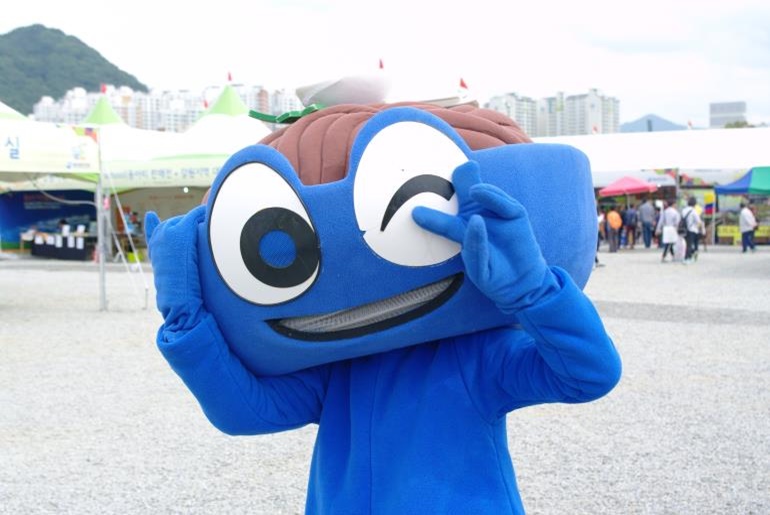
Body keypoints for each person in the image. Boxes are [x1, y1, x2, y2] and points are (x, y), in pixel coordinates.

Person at [146, 103, 622, 514]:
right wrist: (187, 322)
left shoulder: (477, 356)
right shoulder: (338, 369)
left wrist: (533, 290)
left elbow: (589, 374)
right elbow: (244, 411)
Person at [680, 197, 702, 264]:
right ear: (695, 204)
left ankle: (688, 256)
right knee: (690, 245)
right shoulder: (693, 211)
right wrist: (699, 228)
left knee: (687, 244)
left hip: (684, 230)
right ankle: (687, 258)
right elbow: (698, 221)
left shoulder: (683, 210)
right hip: (692, 229)